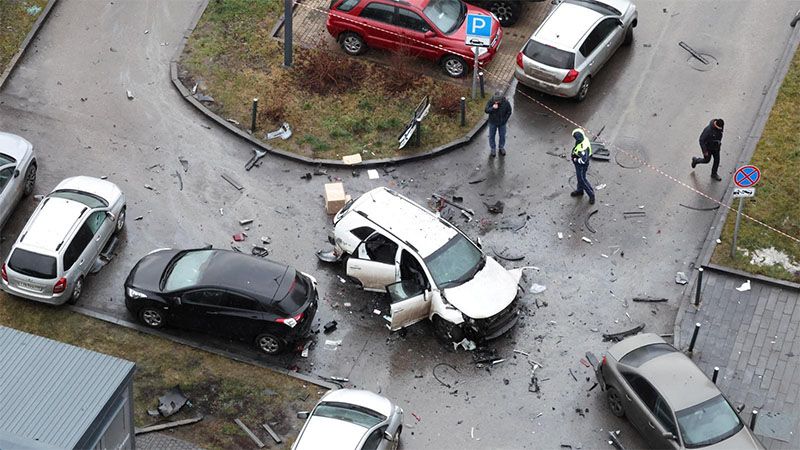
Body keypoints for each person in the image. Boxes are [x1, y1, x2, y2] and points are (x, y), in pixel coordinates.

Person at [570, 128, 595, 205]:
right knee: (580, 177)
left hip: (581, 165)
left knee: (582, 179)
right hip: (580, 164)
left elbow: (583, 160)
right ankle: (580, 190)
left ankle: (591, 194)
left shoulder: (582, 147)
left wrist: (575, 160)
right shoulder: (584, 139)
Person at [484, 91, 512, 157]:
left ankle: (501, 147)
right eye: (495, 100)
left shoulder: (506, 103)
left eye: (497, 101)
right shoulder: (491, 101)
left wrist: (505, 120)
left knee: (502, 135)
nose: (496, 102)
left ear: (501, 99)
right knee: (491, 136)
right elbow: (486, 110)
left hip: (502, 123)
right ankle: (493, 148)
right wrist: (493, 108)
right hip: (492, 122)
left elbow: (509, 111)